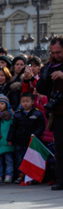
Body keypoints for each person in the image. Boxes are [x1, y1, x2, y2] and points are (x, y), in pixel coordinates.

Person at [36, 36, 63, 190]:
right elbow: (41, 89)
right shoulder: (49, 65)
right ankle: (60, 180)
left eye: (58, 52)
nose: (55, 55)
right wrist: (43, 77)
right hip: (58, 112)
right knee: (59, 148)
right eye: (53, 52)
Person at [8, 91, 45, 184]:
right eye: (23, 101)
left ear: (32, 102)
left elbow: (41, 126)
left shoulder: (37, 114)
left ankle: (31, 177)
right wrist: (10, 138)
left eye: (27, 101)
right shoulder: (17, 114)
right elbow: (13, 127)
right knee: (20, 160)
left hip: (32, 142)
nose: (25, 103)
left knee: (32, 160)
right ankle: (21, 176)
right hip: (19, 141)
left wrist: (35, 134)